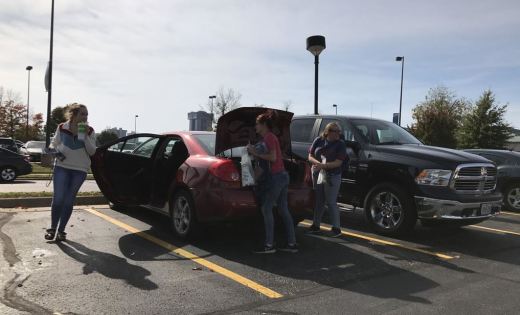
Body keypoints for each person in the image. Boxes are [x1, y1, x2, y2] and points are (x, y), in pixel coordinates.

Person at [247, 110, 297, 254]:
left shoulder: (269, 137)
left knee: (266, 208)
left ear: (263, 124)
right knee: (283, 209)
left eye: (257, 124)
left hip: (276, 177)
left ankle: (269, 245)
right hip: (282, 176)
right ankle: (291, 243)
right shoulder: (269, 138)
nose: (255, 126)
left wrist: (253, 151)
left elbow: (273, 157)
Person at [44, 103, 97, 242]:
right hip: (62, 166)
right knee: (58, 199)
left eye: (87, 114)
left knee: (68, 201)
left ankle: (61, 231)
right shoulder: (62, 127)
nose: (85, 117)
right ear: (73, 115)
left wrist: (85, 136)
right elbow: (54, 143)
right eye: (82, 114)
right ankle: (52, 229)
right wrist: (52, 150)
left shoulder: (90, 131)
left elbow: (92, 151)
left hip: (80, 170)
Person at [307, 122, 347, 237]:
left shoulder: (340, 144)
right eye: (336, 131)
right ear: (328, 132)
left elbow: (338, 162)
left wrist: (323, 166)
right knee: (319, 200)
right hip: (318, 173)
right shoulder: (318, 140)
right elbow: (310, 155)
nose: (338, 133)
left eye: (339, 131)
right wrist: (318, 164)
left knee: (331, 201)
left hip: (332, 175)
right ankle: (315, 225)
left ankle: (336, 228)